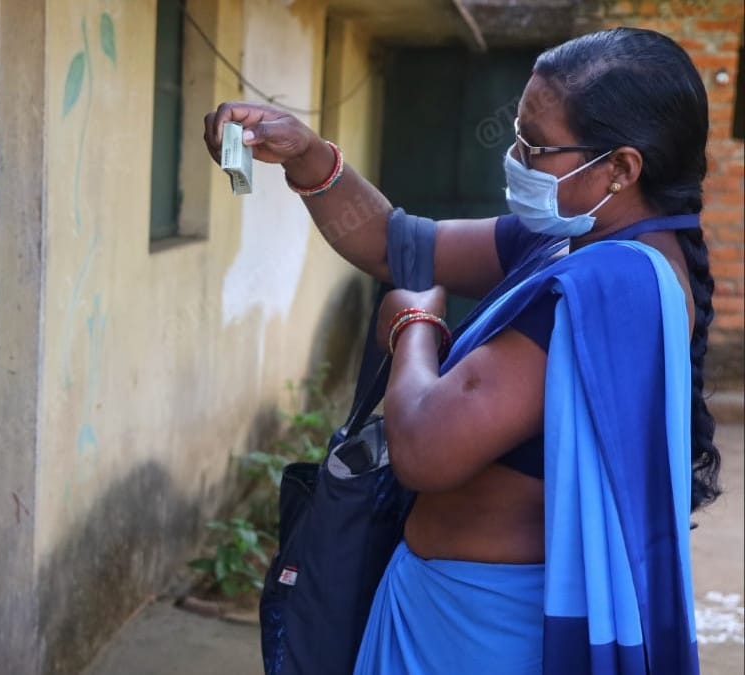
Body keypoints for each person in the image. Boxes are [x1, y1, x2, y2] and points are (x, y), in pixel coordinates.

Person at [205, 27, 720, 675]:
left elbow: (424, 445)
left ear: (620, 167)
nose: (515, 157)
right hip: (442, 603)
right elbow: (399, 245)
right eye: (517, 135)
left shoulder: (610, 287)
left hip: (482, 629)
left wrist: (414, 322)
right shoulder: (569, 238)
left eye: (537, 146)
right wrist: (307, 157)